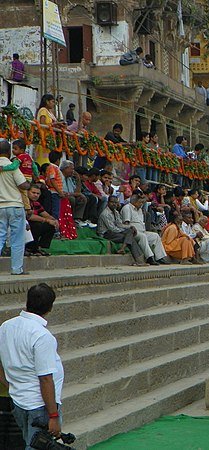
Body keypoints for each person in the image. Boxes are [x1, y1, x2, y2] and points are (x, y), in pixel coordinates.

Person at [0, 284, 64, 445]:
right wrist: (53, 416)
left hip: (19, 400)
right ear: (50, 307)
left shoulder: (6, 327)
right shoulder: (42, 336)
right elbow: (45, 379)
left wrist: (12, 386)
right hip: (39, 405)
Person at [0, 141, 29, 274]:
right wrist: (29, 183)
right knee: (17, 239)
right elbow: (23, 184)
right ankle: (17, 269)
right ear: (9, 152)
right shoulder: (12, 166)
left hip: (1, 207)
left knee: (0, 237)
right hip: (15, 206)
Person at [97, 196, 147, 265]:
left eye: (116, 202)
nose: (114, 204)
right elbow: (112, 229)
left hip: (114, 233)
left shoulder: (116, 212)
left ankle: (124, 249)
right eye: (112, 202)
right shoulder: (105, 214)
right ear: (108, 203)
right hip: (106, 234)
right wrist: (125, 231)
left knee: (130, 233)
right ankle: (139, 260)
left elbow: (120, 224)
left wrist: (130, 227)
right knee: (130, 236)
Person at [121, 194, 168, 265]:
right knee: (143, 236)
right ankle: (149, 258)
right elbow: (126, 223)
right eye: (140, 202)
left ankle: (160, 257)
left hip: (142, 231)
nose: (141, 204)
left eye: (142, 203)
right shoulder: (127, 208)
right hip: (132, 232)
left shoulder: (140, 210)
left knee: (155, 236)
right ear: (134, 202)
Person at [26, 184, 58, 256]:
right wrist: (46, 220)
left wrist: (54, 220)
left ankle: (39, 247)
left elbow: (46, 214)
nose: (36, 195)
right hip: (24, 225)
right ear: (27, 192)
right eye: (33, 193)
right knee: (37, 225)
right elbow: (29, 217)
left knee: (51, 226)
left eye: (38, 193)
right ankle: (30, 248)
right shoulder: (25, 202)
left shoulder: (36, 203)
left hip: (34, 225)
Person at [35, 94, 59, 165]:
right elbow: (43, 125)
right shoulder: (43, 110)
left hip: (50, 140)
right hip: (44, 139)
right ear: (47, 102)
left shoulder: (50, 112)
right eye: (52, 101)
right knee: (44, 162)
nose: (53, 104)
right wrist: (55, 124)